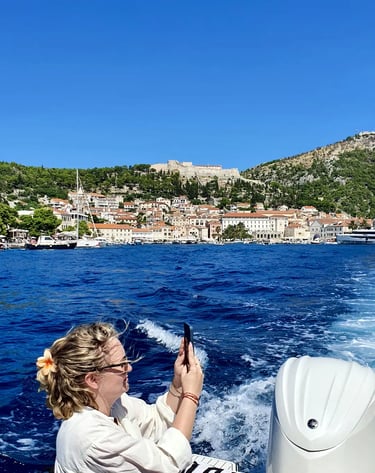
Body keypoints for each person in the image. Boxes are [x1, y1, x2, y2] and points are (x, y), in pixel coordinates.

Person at [36, 322, 203, 473]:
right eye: (121, 364)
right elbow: (168, 465)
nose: (129, 368)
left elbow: (156, 422)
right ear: (93, 379)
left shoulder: (114, 404)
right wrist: (191, 395)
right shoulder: (94, 438)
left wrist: (178, 384)